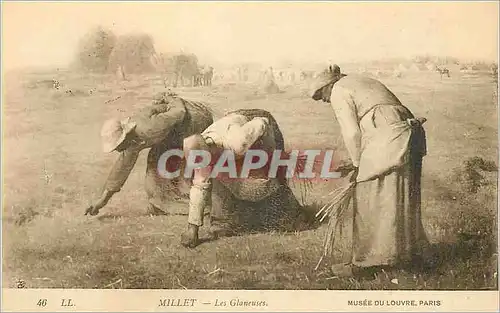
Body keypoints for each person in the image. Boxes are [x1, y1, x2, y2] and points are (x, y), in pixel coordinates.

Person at [311, 64, 429, 275]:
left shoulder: (339, 90)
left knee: (369, 196)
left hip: (388, 132)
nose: (324, 100)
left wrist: (358, 166)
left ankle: (367, 263)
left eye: (321, 95)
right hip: (405, 131)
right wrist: (355, 160)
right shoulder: (358, 80)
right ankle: (406, 256)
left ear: (329, 85)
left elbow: (352, 133)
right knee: (399, 194)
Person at [180, 109, 306, 248]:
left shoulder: (237, 141)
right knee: (221, 179)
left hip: (259, 124)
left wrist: (270, 159)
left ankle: (294, 217)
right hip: (232, 129)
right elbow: (199, 186)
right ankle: (225, 223)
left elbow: (262, 122)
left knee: (265, 182)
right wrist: (192, 229)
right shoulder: (199, 152)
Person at [84, 92, 214, 216]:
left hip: (194, 121)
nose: (118, 150)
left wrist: (169, 98)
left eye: (117, 146)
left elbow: (179, 112)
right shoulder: (132, 143)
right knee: (154, 165)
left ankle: (200, 204)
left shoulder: (148, 127)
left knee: (185, 165)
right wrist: (101, 202)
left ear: (124, 137)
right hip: (172, 131)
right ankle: (162, 204)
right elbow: (120, 171)